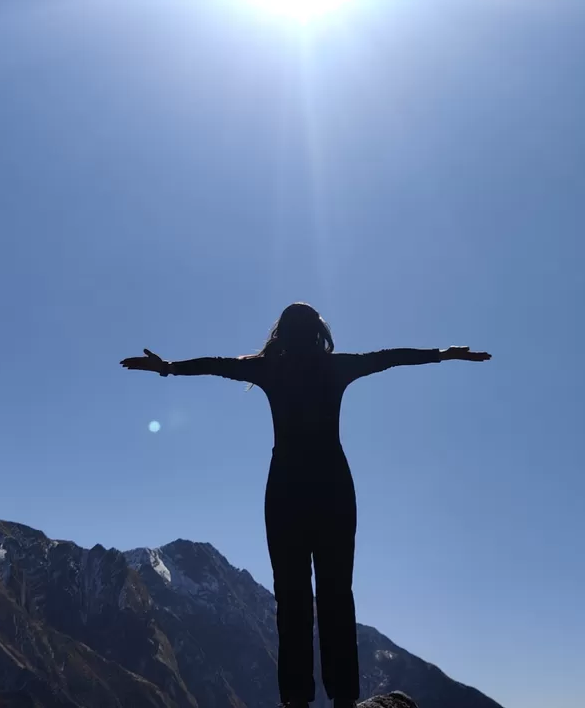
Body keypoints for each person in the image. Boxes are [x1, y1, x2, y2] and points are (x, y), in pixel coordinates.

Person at [121, 302, 492, 708]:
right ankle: (344, 699)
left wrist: (168, 367)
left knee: (291, 597)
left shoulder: (269, 368)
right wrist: (443, 354)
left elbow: (215, 365)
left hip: (285, 491)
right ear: (319, 332)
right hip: (332, 487)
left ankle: (296, 699)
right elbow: (390, 358)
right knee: (336, 593)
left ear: (281, 332)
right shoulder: (333, 367)